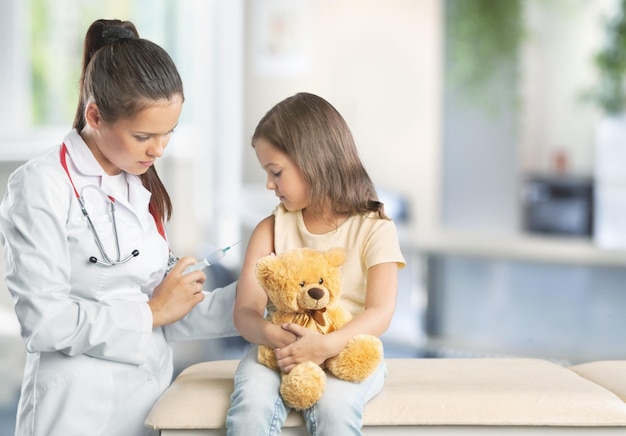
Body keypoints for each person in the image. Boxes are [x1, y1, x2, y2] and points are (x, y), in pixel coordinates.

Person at [0, 19, 237, 436]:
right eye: (144, 135)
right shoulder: (41, 184)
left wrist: (255, 300)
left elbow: (169, 314)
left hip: (150, 404)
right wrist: (149, 312)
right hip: (76, 411)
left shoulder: (138, 183)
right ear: (95, 115)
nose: (159, 150)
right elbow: (44, 322)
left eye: (168, 134)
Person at [226, 92, 406, 435]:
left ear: (313, 161)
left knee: (336, 413)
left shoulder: (375, 230)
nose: (269, 184)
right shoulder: (270, 229)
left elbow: (380, 312)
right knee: (250, 411)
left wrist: (325, 345)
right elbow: (245, 311)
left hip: (348, 351)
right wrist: (277, 338)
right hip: (278, 350)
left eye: (276, 172)